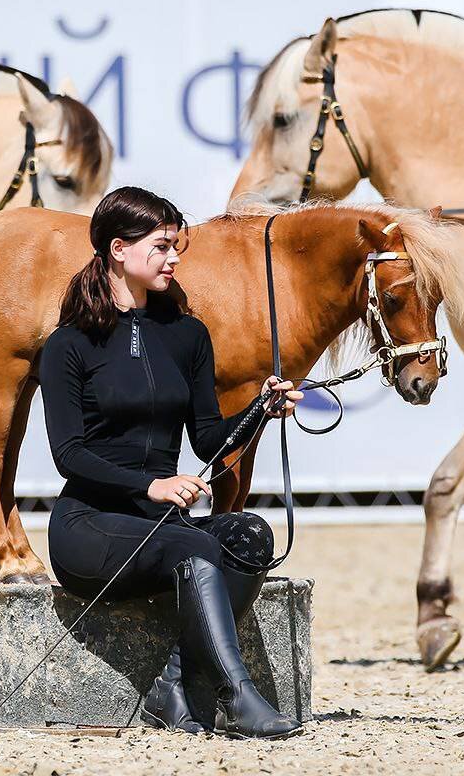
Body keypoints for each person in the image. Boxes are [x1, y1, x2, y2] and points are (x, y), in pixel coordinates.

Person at [38, 186, 305, 740]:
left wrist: (260, 409)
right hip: (89, 529)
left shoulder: (188, 335)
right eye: (161, 247)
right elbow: (69, 456)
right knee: (196, 543)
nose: (175, 258)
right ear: (118, 249)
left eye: (175, 246)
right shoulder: (69, 345)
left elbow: (209, 441)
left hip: (165, 531)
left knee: (250, 534)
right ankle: (236, 696)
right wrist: (152, 484)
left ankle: (172, 682)